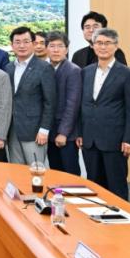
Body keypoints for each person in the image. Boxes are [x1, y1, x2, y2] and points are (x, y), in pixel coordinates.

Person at [77, 28, 130, 200]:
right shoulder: (86, 72)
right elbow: (83, 105)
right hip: (89, 140)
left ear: (116, 46)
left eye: (107, 43)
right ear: (93, 46)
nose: (102, 47)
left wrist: (129, 139)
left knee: (116, 186)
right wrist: (80, 132)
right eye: (98, 43)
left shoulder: (127, 74)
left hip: (115, 140)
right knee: (94, 186)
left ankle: (121, 217)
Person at [6, 27, 56, 165]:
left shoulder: (44, 68)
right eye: (17, 42)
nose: (21, 45)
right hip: (12, 130)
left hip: (34, 131)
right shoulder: (9, 68)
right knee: (16, 171)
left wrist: (44, 129)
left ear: (33, 44)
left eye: (26, 41)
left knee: (36, 170)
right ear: (12, 45)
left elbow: (50, 102)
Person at [46, 31, 82, 175]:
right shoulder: (45, 68)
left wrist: (63, 133)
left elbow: (72, 105)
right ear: (47, 48)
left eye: (60, 46)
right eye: (52, 46)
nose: (56, 50)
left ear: (66, 49)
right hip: (50, 132)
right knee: (55, 173)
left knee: (70, 174)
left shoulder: (73, 70)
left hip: (67, 134)